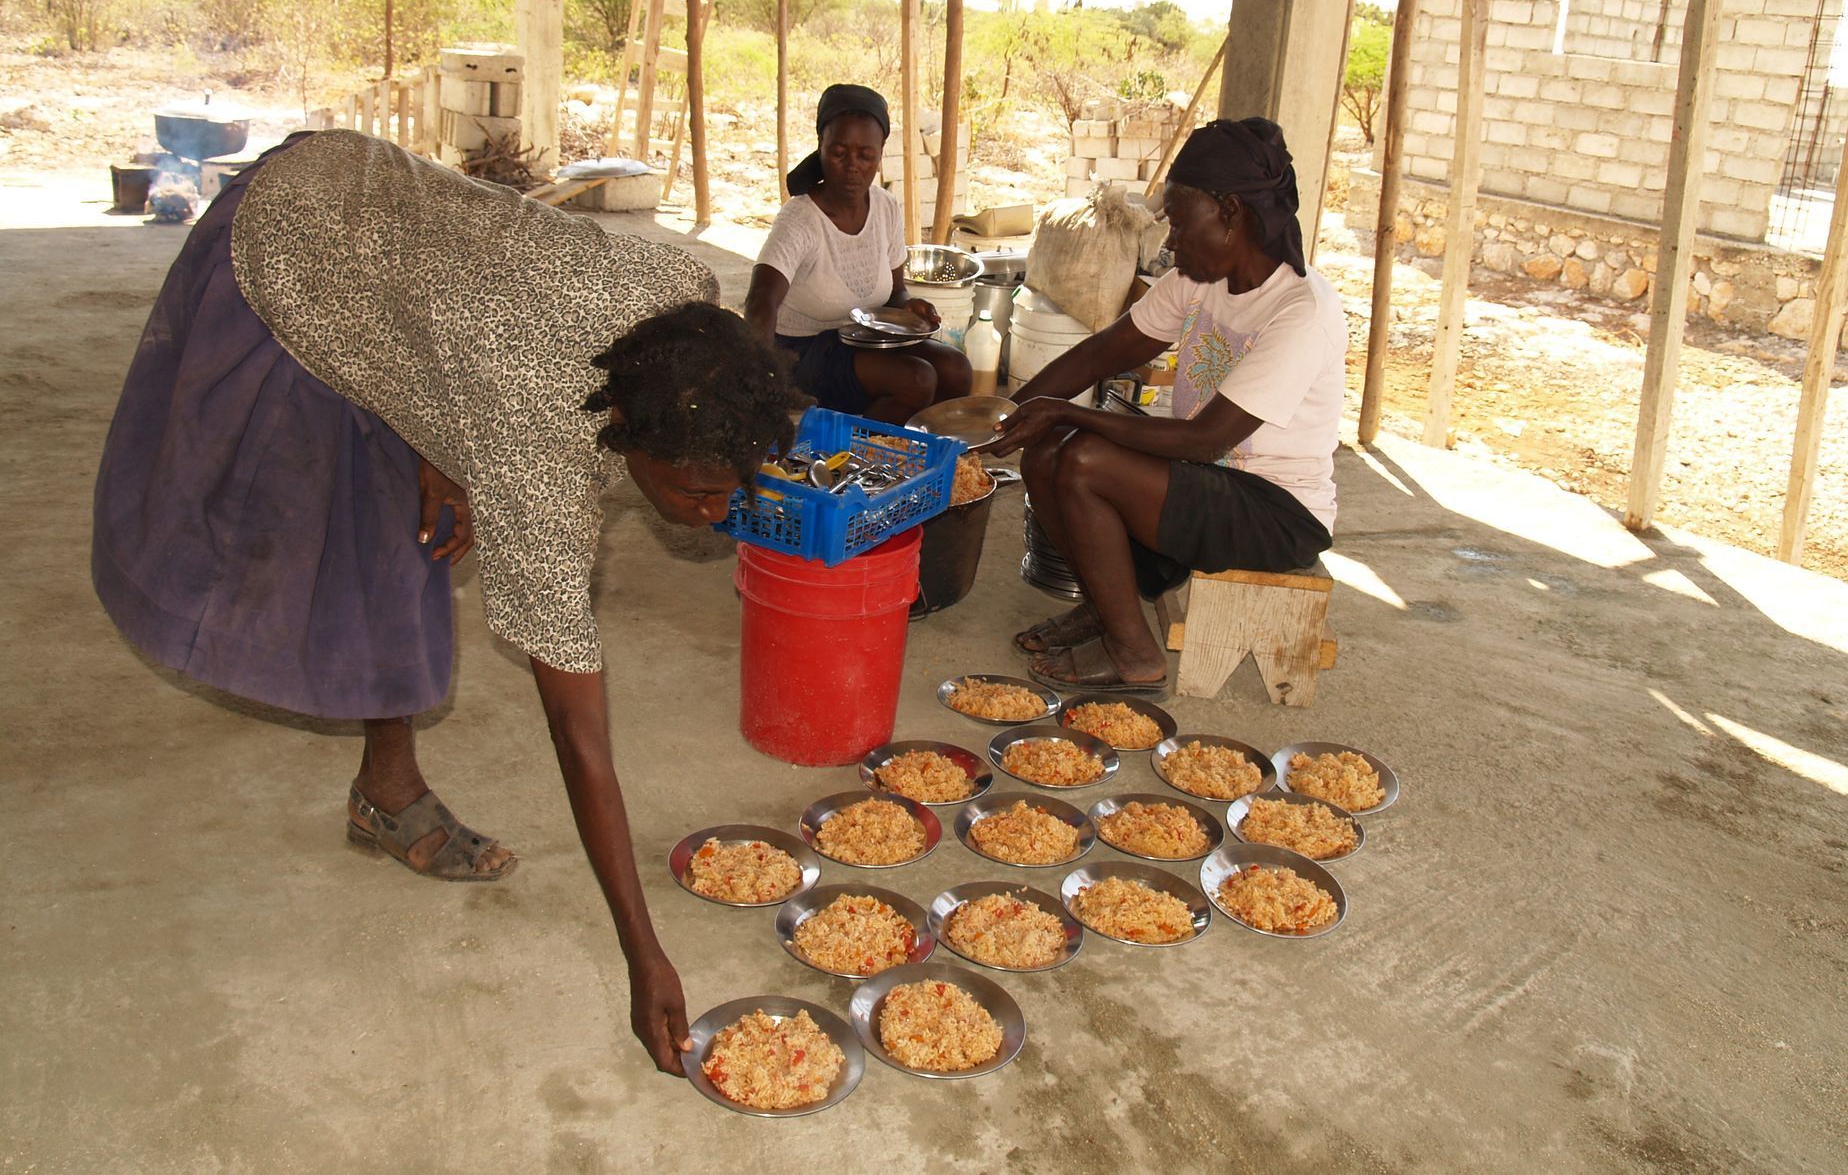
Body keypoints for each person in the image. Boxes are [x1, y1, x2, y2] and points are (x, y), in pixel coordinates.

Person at [91, 128, 806, 1075]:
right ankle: (384, 785)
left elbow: (464, 326)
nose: (714, 517)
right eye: (693, 489)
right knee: (318, 532)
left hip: (419, 259)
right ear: (622, 433)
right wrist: (645, 955)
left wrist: (439, 444)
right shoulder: (536, 442)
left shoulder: (686, 307)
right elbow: (579, 733)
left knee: (415, 534)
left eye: (729, 491)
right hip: (303, 240)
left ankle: (384, 790)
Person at [978, 117, 1344, 694]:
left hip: (1276, 512)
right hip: (1204, 482)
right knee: (1046, 448)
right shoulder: (1201, 277)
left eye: (1178, 219)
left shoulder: (1302, 310)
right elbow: (1107, 350)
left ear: (1229, 211)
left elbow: (1207, 439)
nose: (1171, 240)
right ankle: (1105, 610)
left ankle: (1134, 653)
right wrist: (1007, 415)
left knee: (1084, 457)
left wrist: (1068, 411)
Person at [744, 83, 971, 423]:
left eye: (865, 156)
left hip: (862, 341)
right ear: (821, 147)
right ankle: (854, 453)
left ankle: (910, 448)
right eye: (839, 152)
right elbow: (761, 300)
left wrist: (909, 307)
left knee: (955, 369)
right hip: (801, 352)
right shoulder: (801, 218)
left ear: (880, 155)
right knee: (916, 380)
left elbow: (895, 292)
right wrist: (760, 380)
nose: (852, 166)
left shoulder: (885, 207)